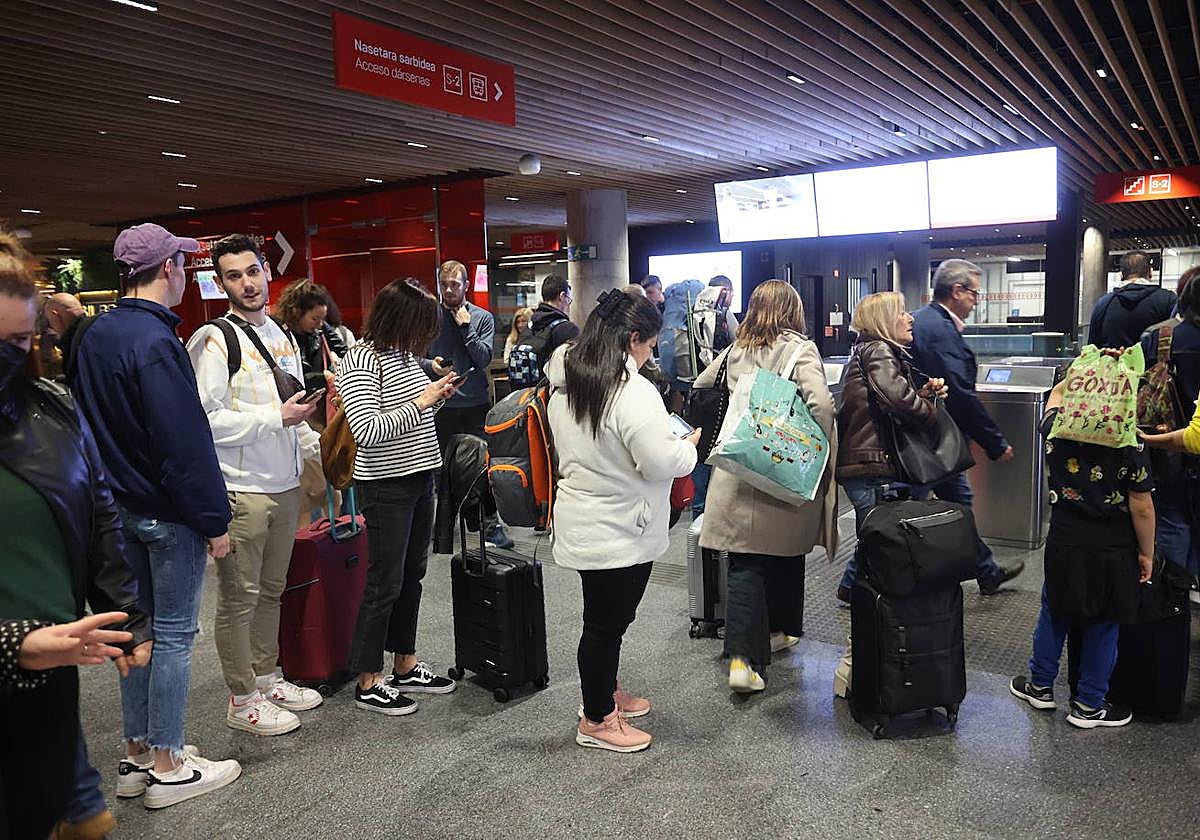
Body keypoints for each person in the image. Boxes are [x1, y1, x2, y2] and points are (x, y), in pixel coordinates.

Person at [71, 222, 241, 809]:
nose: (187, 271)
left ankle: (138, 752)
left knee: (135, 633)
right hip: (167, 514)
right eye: (183, 263)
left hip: (117, 511)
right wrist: (213, 521)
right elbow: (181, 442)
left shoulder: (94, 336)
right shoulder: (157, 343)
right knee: (173, 636)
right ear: (168, 268)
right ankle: (170, 760)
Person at [0, 232, 151, 840]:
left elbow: (98, 515)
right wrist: (14, 645)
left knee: (58, 814)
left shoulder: (50, 409)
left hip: (48, 673)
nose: (9, 356)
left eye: (17, 341)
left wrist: (126, 616)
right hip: (22, 654)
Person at [547, 288, 698, 753]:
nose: (652, 352)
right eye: (650, 344)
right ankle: (596, 718)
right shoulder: (630, 391)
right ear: (633, 338)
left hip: (589, 518)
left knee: (604, 620)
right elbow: (656, 461)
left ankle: (602, 694)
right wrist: (687, 447)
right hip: (619, 526)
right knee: (605, 625)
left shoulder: (567, 376)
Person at [187, 234, 326, 737]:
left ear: (266, 271)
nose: (247, 283)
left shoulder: (281, 335)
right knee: (239, 596)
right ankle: (241, 696)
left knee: (271, 590)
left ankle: (267, 678)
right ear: (221, 283)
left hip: (285, 483)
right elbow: (205, 420)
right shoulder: (213, 340)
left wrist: (315, 446)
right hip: (241, 488)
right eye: (234, 276)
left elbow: (293, 411)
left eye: (252, 271)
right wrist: (275, 418)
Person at [693, 280, 838, 692]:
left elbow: (703, 384)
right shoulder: (799, 349)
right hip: (782, 469)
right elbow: (822, 405)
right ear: (792, 310)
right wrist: (814, 447)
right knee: (783, 553)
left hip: (739, 469)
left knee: (746, 561)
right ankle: (764, 643)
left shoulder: (737, 347)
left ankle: (754, 649)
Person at [337, 280, 459, 716]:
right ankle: (369, 678)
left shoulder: (403, 356)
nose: (426, 336)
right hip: (386, 484)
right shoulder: (361, 360)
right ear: (399, 320)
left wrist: (437, 398)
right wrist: (425, 399)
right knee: (383, 582)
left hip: (420, 474)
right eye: (421, 325)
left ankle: (404, 664)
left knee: (412, 574)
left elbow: (413, 417)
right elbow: (367, 430)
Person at [1010, 373, 1154, 729]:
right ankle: (1089, 705)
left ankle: (1040, 686)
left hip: (1065, 537)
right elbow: (1142, 507)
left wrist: (1078, 373)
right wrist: (1147, 553)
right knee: (1104, 622)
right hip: (1112, 544)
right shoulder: (1129, 440)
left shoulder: (1057, 430)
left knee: (1054, 612)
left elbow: (1056, 398)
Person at [909, 259, 1024, 594]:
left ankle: (986, 571)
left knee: (959, 502)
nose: (976, 301)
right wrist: (995, 442)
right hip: (932, 439)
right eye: (974, 293)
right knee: (910, 504)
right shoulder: (939, 329)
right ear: (956, 291)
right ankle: (853, 579)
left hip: (931, 436)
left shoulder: (924, 319)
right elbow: (958, 391)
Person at [834, 291, 946, 603]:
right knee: (879, 543)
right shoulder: (879, 350)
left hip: (866, 463)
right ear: (884, 320)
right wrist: (931, 414)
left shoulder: (870, 350)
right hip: (872, 464)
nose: (910, 318)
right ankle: (871, 612)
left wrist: (921, 394)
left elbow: (889, 397)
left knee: (875, 538)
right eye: (902, 312)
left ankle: (854, 589)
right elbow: (896, 398)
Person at [427, 259, 511, 549]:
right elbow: (417, 357)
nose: (449, 290)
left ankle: (488, 524)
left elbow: (484, 358)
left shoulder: (481, 317)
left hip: (474, 403)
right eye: (444, 285)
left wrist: (466, 328)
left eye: (455, 285)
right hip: (441, 403)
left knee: (481, 465)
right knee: (441, 469)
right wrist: (430, 364)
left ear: (465, 286)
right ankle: (443, 529)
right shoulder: (430, 317)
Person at [1139, 267, 1200, 581]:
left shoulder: (1160, 337)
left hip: (1167, 449)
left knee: (1173, 521)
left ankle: (1173, 596)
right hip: (1192, 443)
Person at [1088, 251, 1176, 350]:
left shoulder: (1103, 303)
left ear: (1121, 275)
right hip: (1153, 365)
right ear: (1150, 272)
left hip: (1111, 364)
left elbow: (1092, 348)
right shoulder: (1169, 299)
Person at [528, 273, 580, 368]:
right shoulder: (568, 329)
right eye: (568, 299)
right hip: (551, 382)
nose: (568, 304)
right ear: (562, 296)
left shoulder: (530, 325)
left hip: (526, 381)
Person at [41, 291, 86, 379]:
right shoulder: (100, 327)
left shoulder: (71, 343)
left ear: (55, 315)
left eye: (49, 320)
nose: (51, 326)